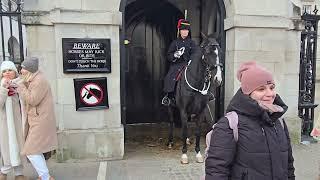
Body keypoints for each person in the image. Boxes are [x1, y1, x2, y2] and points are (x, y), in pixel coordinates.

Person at [205, 61, 295, 180]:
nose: (270, 94)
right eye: (261, 89)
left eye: (272, 87)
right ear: (248, 93)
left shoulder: (279, 122)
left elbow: (288, 166)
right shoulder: (229, 125)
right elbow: (216, 171)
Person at [16, 57, 58, 180]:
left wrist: (21, 87)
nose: (21, 71)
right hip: (37, 119)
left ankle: (45, 177)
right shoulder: (32, 78)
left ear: (30, 69)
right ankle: (44, 175)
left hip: (41, 120)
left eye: (23, 68)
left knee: (31, 150)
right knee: (35, 149)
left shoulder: (39, 81)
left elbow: (33, 100)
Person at [162, 19, 200, 106]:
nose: (185, 32)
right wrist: (175, 55)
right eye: (183, 30)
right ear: (180, 31)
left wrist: (191, 60)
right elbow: (168, 56)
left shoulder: (192, 43)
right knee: (170, 77)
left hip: (189, 65)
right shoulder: (174, 43)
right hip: (177, 65)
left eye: (186, 30)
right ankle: (169, 97)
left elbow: (196, 52)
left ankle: (205, 94)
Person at [0, 61, 26, 180]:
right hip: (5, 123)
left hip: (17, 121)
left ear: (15, 72)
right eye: (4, 71)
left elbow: (26, 100)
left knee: (19, 145)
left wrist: (18, 90)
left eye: (9, 70)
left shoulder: (21, 83)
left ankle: (18, 173)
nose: (7, 73)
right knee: (6, 146)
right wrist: (4, 89)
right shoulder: (0, 86)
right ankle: (3, 172)